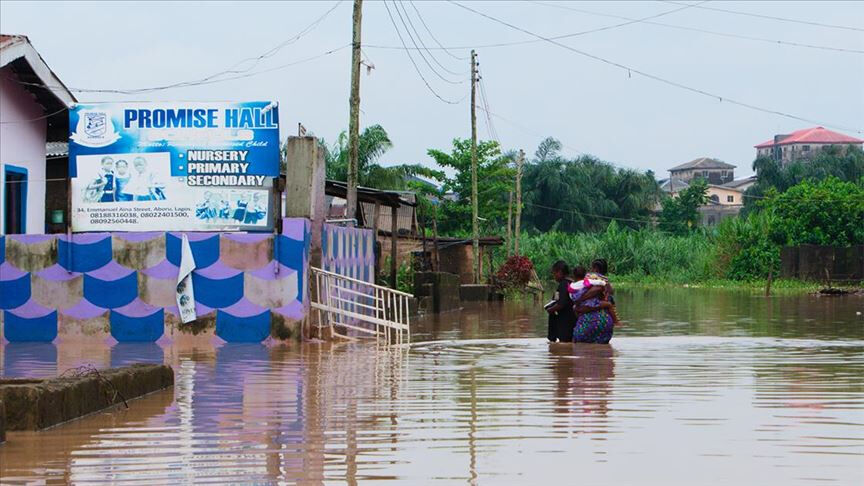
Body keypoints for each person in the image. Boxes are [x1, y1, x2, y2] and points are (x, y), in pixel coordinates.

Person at [571, 258, 616, 343]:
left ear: (595, 268)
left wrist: (580, 299)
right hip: (606, 323)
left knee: (577, 345)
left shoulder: (588, 277)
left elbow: (580, 289)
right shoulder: (607, 283)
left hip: (589, 321)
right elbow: (611, 296)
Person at [545, 260, 576, 343]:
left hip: (565, 321)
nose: (554, 276)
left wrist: (550, 310)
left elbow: (561, 304)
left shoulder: (563, 284)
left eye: (554, 273)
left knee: (564, 343)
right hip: (572, 319)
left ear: (560, 272)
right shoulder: (571, 283)